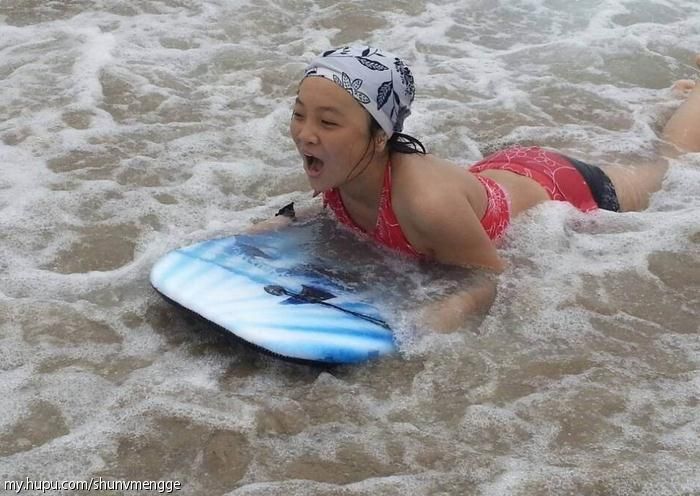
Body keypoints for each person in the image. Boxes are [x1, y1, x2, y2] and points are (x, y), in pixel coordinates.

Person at [264, 46, 700, 330]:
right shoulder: (340, 169)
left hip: (564, 188)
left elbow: (492, 275)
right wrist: (279, 222)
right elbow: (332, 213)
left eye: (328, 122)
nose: (305, 133)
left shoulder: (426, 202)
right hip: (496, 176)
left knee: (674, 164)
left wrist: (436, 317)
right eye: (299, 114)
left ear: (379, 137)